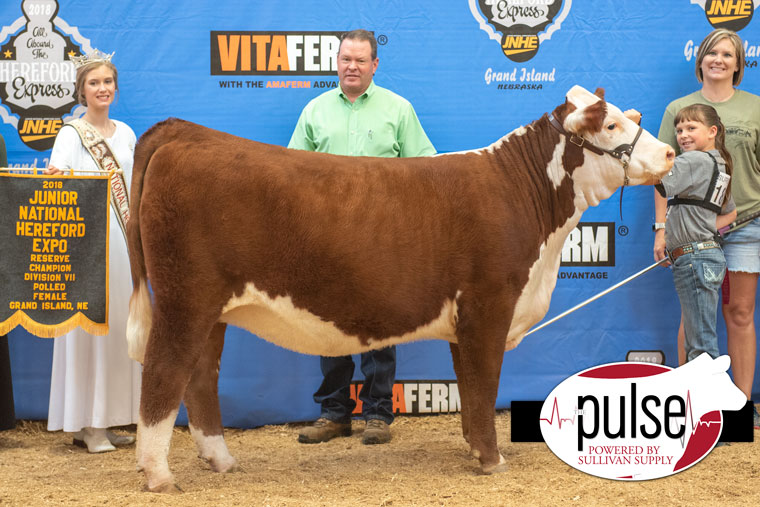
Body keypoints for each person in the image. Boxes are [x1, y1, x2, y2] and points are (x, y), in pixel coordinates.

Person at [288, 29, 435, 445]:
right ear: (337, 63)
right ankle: (334, 413)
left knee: (380, 327)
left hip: (382, 239)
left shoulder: (398, 109)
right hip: (327, 240)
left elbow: (425, 169)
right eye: (345, 59)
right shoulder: (315, 111)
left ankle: (377, 415)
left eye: (360, 60)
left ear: (374, 65)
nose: (351, 66)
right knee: (329, 326)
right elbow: (293, 175)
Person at [654, 29, 760, 427]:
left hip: (746, 222)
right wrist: (662, 229)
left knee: (741, 312)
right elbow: (663, 172)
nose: (718, 59)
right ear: (700, 60)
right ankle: (691, 404)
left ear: (738, 64)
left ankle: (741, 406)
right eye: (711, 52)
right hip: (692, 231)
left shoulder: (755, 108)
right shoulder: (678, 109)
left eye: (727, 54)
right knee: (694, 313)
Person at [44, 50, 141, 452]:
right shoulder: (70, 134)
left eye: (107, 82)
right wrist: (55, 179)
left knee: (119, 329)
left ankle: (109, 418)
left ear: (115, 88)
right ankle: (88, 424)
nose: (102, 89)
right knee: (88, 328)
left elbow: (133, 192)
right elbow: (58, 183)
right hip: (85, 242)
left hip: (122, 241)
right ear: (82, 91)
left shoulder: (129, 133)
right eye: (94, 83)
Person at [656, 104, 736, 363]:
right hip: (704, 256)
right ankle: (702, 398)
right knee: (698, 339)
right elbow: (731, 212)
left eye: (691, 128)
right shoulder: (720, 164)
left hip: (694, 259)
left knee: (700, 346)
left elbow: (658, 181)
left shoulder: (694, 159)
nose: (683, 135)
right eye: (679, 130)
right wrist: (699, 228)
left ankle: (708, 402)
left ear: (712, 131)